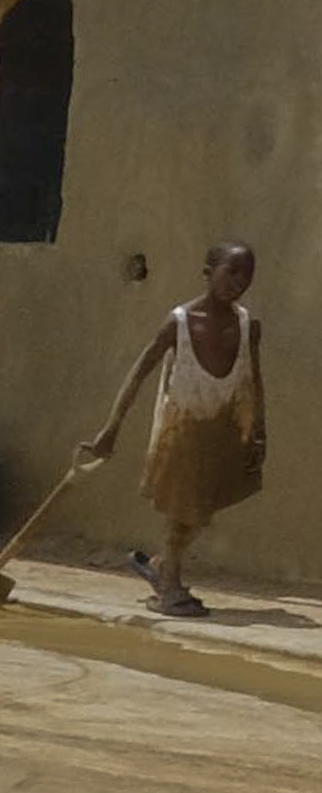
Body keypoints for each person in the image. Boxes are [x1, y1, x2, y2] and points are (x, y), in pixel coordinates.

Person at [79, 241, 267, 614]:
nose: (239, 282)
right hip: (181, 429)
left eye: (246, 275)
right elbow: (139, 372)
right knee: (184, 508)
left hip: (223, 428)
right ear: (208, 272)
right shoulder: (180, 323)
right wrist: (111, 428)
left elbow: (254, 380)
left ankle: (160, 566)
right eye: (231, 271)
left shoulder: (248, 326)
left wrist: (259, 431)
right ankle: (169, 589)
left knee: (202, 512)